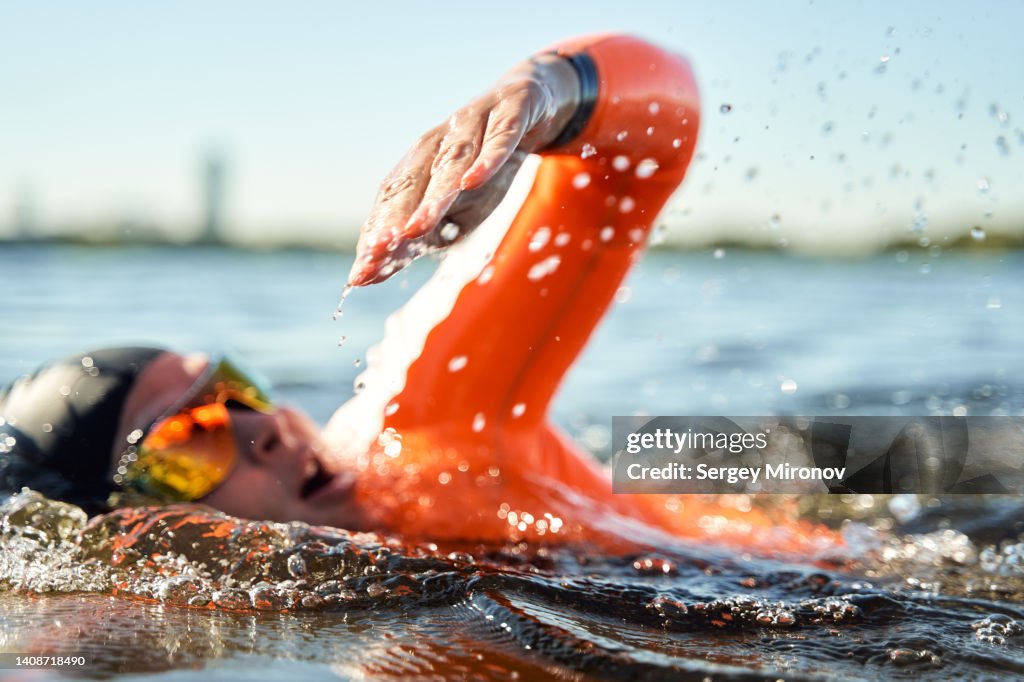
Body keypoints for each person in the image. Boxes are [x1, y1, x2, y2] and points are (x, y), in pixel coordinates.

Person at [0, 34, 835, 554]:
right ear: (129, 528)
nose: (270, 432)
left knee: (908, 456)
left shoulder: (425, 418)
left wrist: (544, 94)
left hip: (812, 565)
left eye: (236, 390)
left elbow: (659, 129)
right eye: (191, 439)